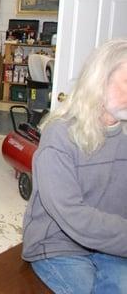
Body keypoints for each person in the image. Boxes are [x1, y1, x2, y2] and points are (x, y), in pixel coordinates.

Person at [22, 38, 127, 293]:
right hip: (59, 244)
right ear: (99, 82)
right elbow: (72, 215)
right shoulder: (60, 136)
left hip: (111, 241)